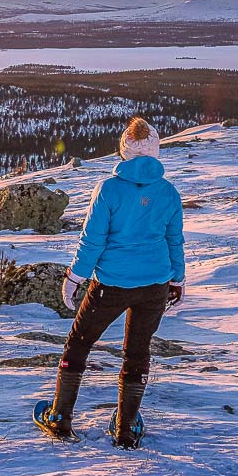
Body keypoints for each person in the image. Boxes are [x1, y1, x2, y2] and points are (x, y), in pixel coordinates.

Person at [34, 116, 185, 448]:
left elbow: (92, 241)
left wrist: (75, 277)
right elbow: (175, 241)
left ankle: (60, 419)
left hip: (111, 285)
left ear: (124, 150)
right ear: (155, 151)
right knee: (137, 352)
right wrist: (178, 280)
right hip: (155, 285)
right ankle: (127, 428)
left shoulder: (109, 189)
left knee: (78, 344)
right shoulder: (168, 192)